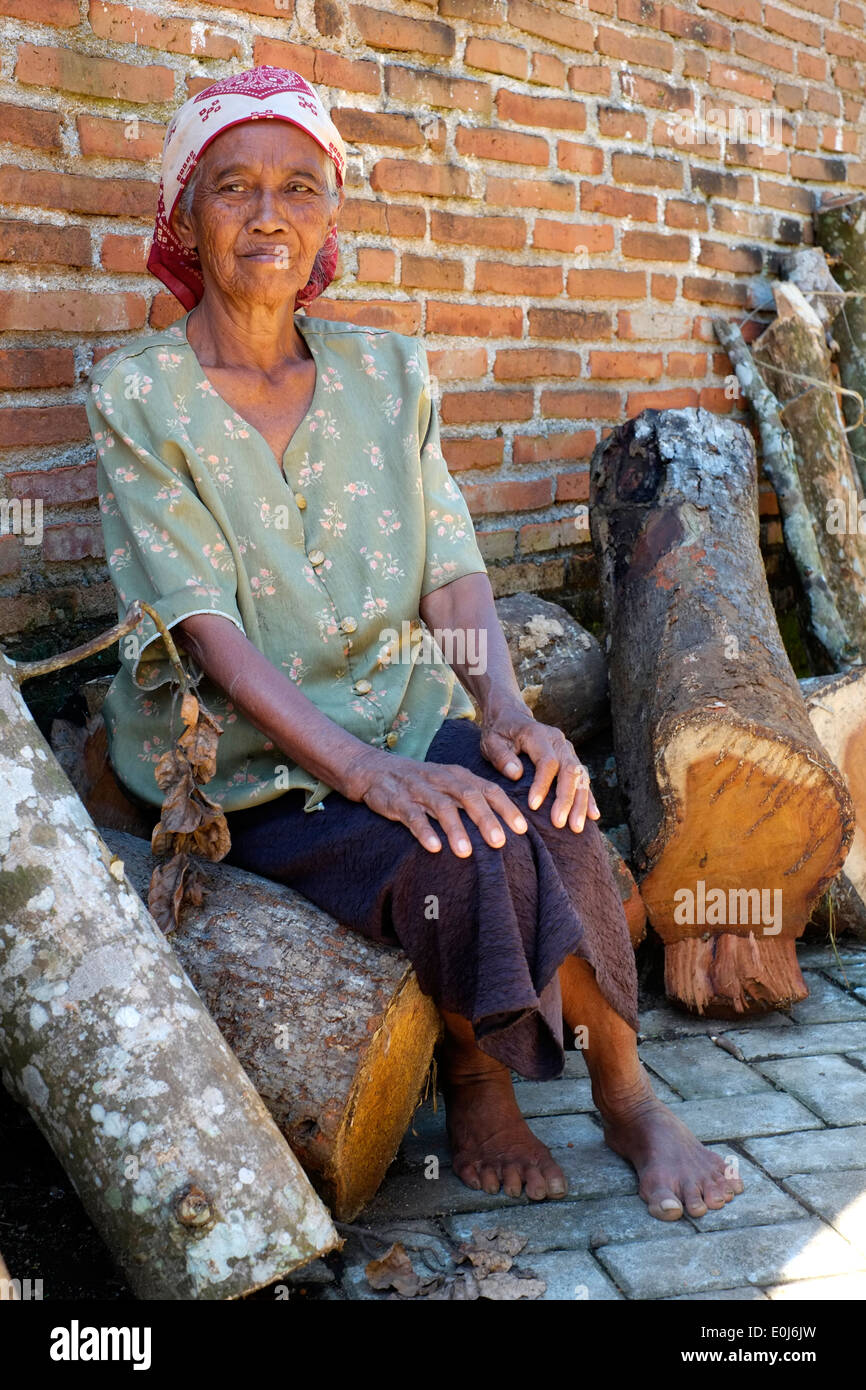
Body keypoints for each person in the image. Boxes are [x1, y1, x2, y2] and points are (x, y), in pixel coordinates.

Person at [85, 64, 743, 1220]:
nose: (267, 214)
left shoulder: (386, 374)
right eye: (232, 187)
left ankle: (625, 1093)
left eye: (298, 187)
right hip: (250, 758)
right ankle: (479, 1078)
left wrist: (503, 712)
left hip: (401, 706)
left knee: (551, 801)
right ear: (185, 214)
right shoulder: (138, 395)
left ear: (328, 215)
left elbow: (450, 572)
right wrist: (369, 774)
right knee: (449, 853)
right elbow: (208, 627)